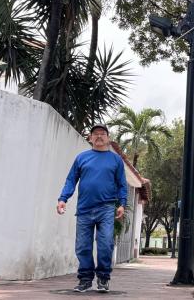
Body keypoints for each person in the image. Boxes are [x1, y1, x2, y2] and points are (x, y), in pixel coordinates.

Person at [57, 124, 127, 293]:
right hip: (84, 209)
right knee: (82, 247)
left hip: (106, 208)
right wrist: (63, 199)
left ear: (108, 138)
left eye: (103, 134)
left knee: (105, 244)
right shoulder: (82, 158)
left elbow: (121, 184)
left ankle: (103, 278)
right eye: (95, 134)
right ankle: (85, 280)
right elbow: (71, 180)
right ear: (90, 138)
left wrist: (122, 204)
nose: (99, 136)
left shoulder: (115, 160)